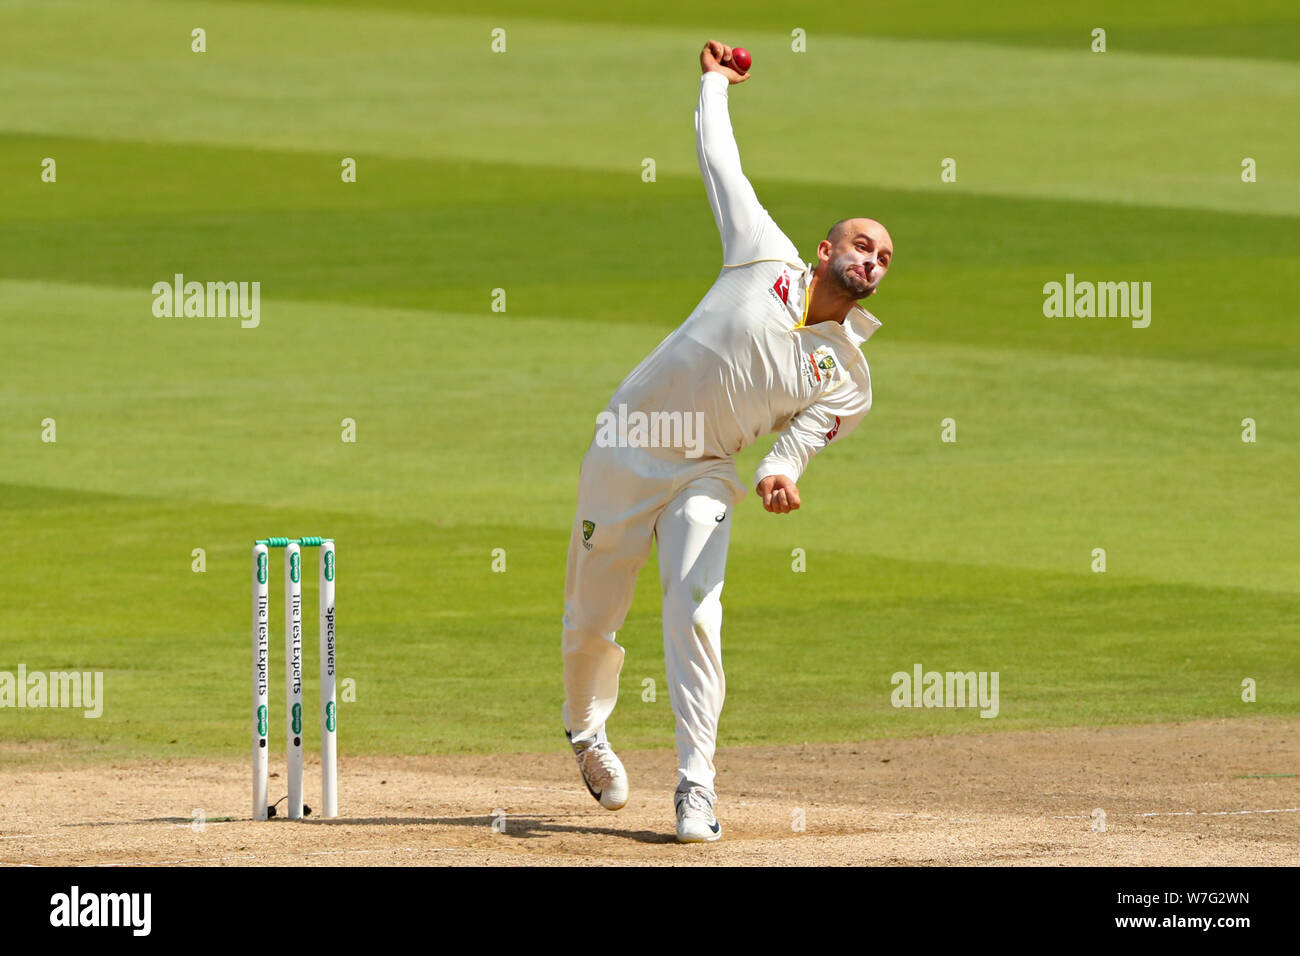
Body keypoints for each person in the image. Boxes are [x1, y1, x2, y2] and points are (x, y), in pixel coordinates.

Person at [560, 39, 894, 843]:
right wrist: (715, 83)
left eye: (884, 257)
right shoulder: (765, 255)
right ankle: (586, 731)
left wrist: (780, 473)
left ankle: (696, 787)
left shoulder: (847, 374)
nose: (872, 261)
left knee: (696, 608)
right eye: (860, 245)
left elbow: (799, 444)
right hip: (629, 438)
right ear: (825, 250)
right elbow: (720, 161)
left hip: (705, 472)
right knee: (592, 616)